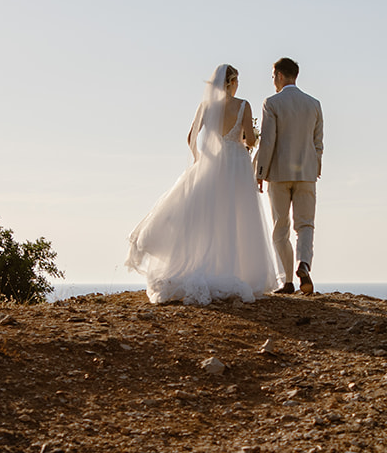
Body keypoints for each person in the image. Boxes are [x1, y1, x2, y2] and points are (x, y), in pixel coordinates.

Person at [125, 64, 281, 304]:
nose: (238, 85)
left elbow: (190, 137)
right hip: (236, 165)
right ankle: (237, 271)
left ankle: (211, 266)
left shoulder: (206, 107)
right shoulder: (243, 105)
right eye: (236, 81)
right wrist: (248, 139)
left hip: (212, 165)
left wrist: (201, 159)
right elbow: (249, 139)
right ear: (231, 82)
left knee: (210, 217)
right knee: (237, 217)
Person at [255, 57, 324, 295]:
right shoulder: (314, 103)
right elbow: (318, 142)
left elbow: (268, 141)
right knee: (305, 225)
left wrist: (260, 172)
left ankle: (287, 281)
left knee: (280, 228)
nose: (273, 80)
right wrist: (316, 165)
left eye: (273, 75)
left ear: (280, 76)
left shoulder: (272, 103)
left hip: (279, 174)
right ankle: (303, 263)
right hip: (306, 173)